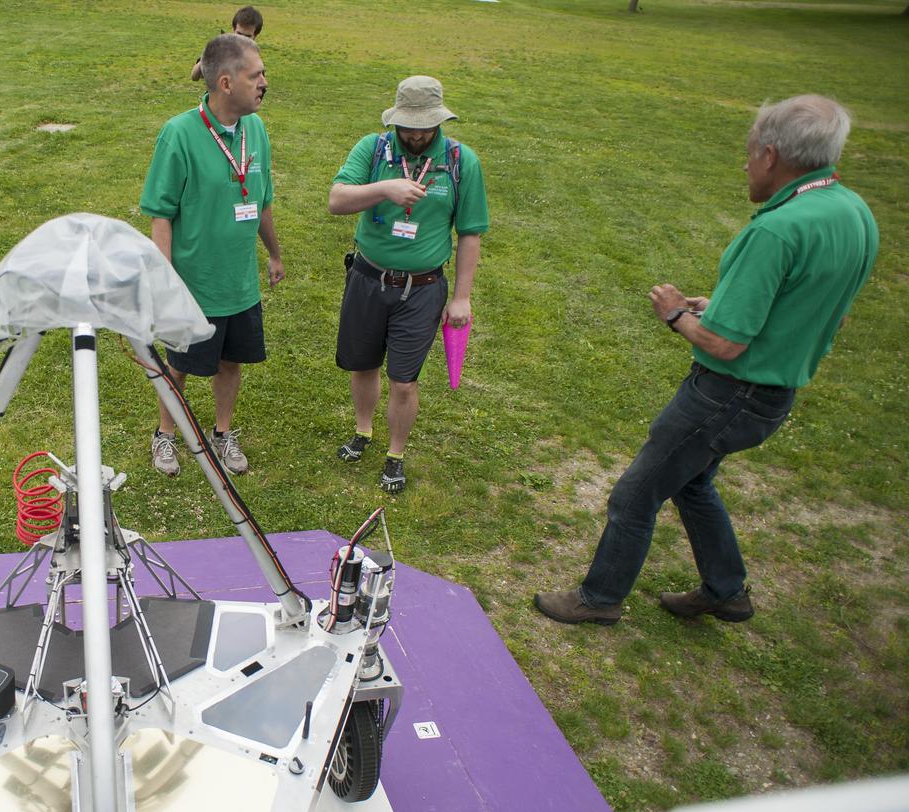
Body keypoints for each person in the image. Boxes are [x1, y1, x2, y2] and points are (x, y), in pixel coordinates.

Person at [536, 95, 879, 626]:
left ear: (771, 155)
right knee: (692, 482)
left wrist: (678, 314)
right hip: (774, 395)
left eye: (748, 153)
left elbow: (723, 345)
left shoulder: (776, 229)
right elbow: (817, 306)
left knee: (636, 493)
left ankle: (599, 599)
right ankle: (726, 589)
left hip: (728, 393)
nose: (745, 164)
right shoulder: (852, 211)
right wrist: (719, 305)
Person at [329, 76, 488, 493]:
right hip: (367, 277)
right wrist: (386, 188)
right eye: (408, 126)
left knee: (404, 380)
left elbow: (470, 233)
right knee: (363, 365)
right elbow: (337, 200)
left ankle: (395, 454)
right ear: (394, 121)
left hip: (422, 288)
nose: (416, 135)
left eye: (425, 127)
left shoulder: (459, 160)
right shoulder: (374, 149)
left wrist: (462, 298)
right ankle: (363, 431)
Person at [141, 33, 282, 476]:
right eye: (256, 75)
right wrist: (163, 278)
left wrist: (274, 254)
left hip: (239, 281)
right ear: (225, 82)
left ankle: (223, 433)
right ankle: (166, 435)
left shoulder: (255, 129)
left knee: (230, 361)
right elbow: (161, 214)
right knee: (180, 364)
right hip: (194, 283)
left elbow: (260, 200)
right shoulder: (179, 134)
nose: (264, 83)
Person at [190, 6, 263, 81]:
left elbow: (258, 90)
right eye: (239, 34)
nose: (242, 39)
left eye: (247, 36)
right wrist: (209, 56)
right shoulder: (221, 46)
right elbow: (194, 76)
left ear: (255, 35)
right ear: (233, 29)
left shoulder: (255, 59)